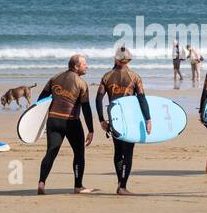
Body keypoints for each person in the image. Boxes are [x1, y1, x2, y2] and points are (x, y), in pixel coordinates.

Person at [96, 47, 152, 196]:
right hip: (130, 120)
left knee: (118, 151)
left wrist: (101, 119)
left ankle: (120, 182)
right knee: (128, 153)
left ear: (116, 58)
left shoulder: (107, 77)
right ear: (128, 60)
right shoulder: (134, 77)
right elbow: (142, 99)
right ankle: (122, 186)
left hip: (114, 119)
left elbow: (98, 98)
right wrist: (148, 119)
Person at [36, 54, 95, 195]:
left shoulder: (54, 78)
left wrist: (39, 123)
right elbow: (86, 108)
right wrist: (91, 130)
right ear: (76, 66)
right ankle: (78, 186)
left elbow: (40, 101)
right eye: (84, 64)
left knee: (51, 152)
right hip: (71, 122)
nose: (87, 66)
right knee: (79, 152)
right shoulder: (81, 83)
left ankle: (42, 182)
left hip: (53, 120)